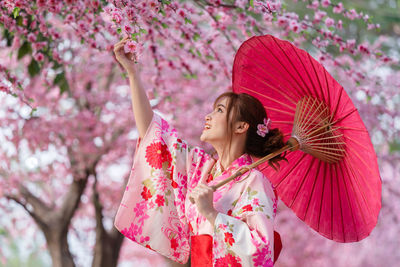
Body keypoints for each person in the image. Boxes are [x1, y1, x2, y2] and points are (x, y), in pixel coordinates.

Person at [113, 37, 285, 267]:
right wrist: (133, 74)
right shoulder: (200, 169)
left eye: (219, 110)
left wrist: (211, 213)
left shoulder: (254, 181)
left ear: (241, 126)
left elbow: (260, 251)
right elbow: (155, 137)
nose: (208, 116)